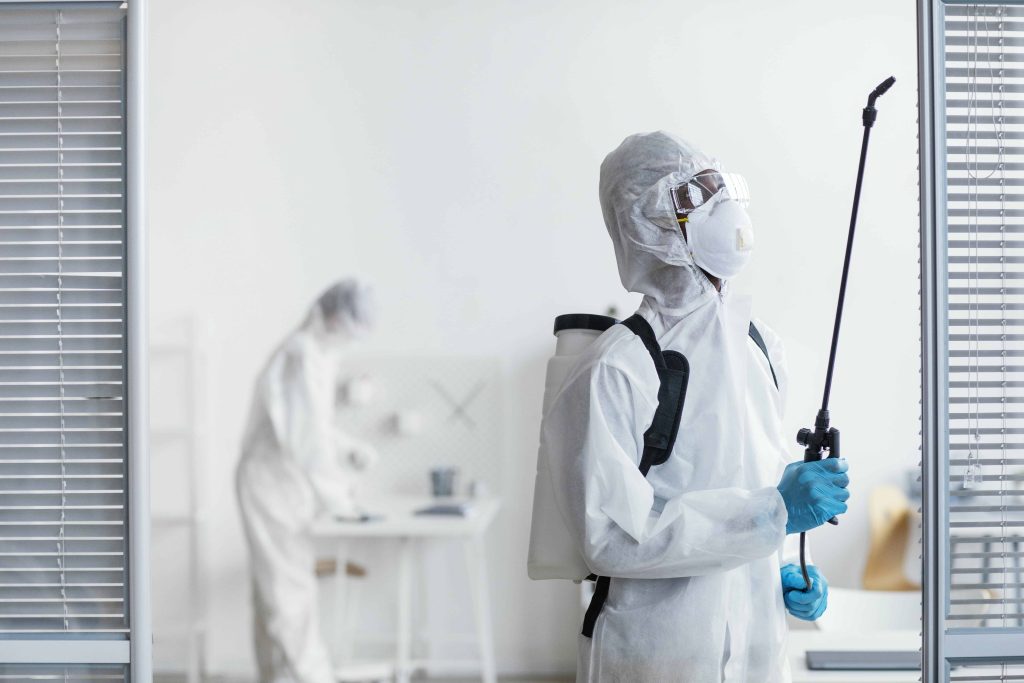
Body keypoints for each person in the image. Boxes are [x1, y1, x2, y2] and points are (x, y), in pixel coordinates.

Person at [544, 132, 850, 681]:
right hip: (656, 654)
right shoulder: (618, 366)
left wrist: (781, 566)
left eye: (717, 188)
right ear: (646, 223)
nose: (719, 209)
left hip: (757, 645)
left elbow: (755, 483)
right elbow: (611, 538)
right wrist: (772, 513)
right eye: (690, 197)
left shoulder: (759, 345)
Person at [236, 279, 378, 683]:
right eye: (353, 328)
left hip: (282, 483)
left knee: (273, 595)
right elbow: (306, 441)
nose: (351, 339)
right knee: (288, 595)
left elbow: (314, 425)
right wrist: (340, 499)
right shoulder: (301, 355)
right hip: (270, 483)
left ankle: (278, 677)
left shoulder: (315, 353)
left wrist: (347, 447)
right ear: (335, 316)